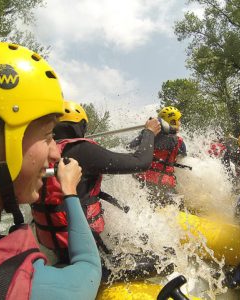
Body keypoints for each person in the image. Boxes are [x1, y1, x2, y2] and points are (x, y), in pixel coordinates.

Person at [0, 42, 101, 299]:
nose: (56, 153)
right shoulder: (26, 289)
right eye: (48, 134)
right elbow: (88, 267)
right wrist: (70, 192)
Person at [31, 100, 162, 273]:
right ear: (81, 126)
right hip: (86, 251)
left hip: (55, 246)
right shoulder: (83, 150)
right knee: (164, 262)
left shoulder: (41, 153)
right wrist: (149, 132)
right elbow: (141, 162)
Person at [128, 106, 187, 208]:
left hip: (143, 183)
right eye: (178, 120)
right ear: (172, 121)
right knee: (179, 205)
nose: (180, 123)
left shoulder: (147, 136)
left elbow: (129, 147)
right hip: (165, 187)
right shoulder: (180, 142)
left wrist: (146, 131)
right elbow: (183, 158)